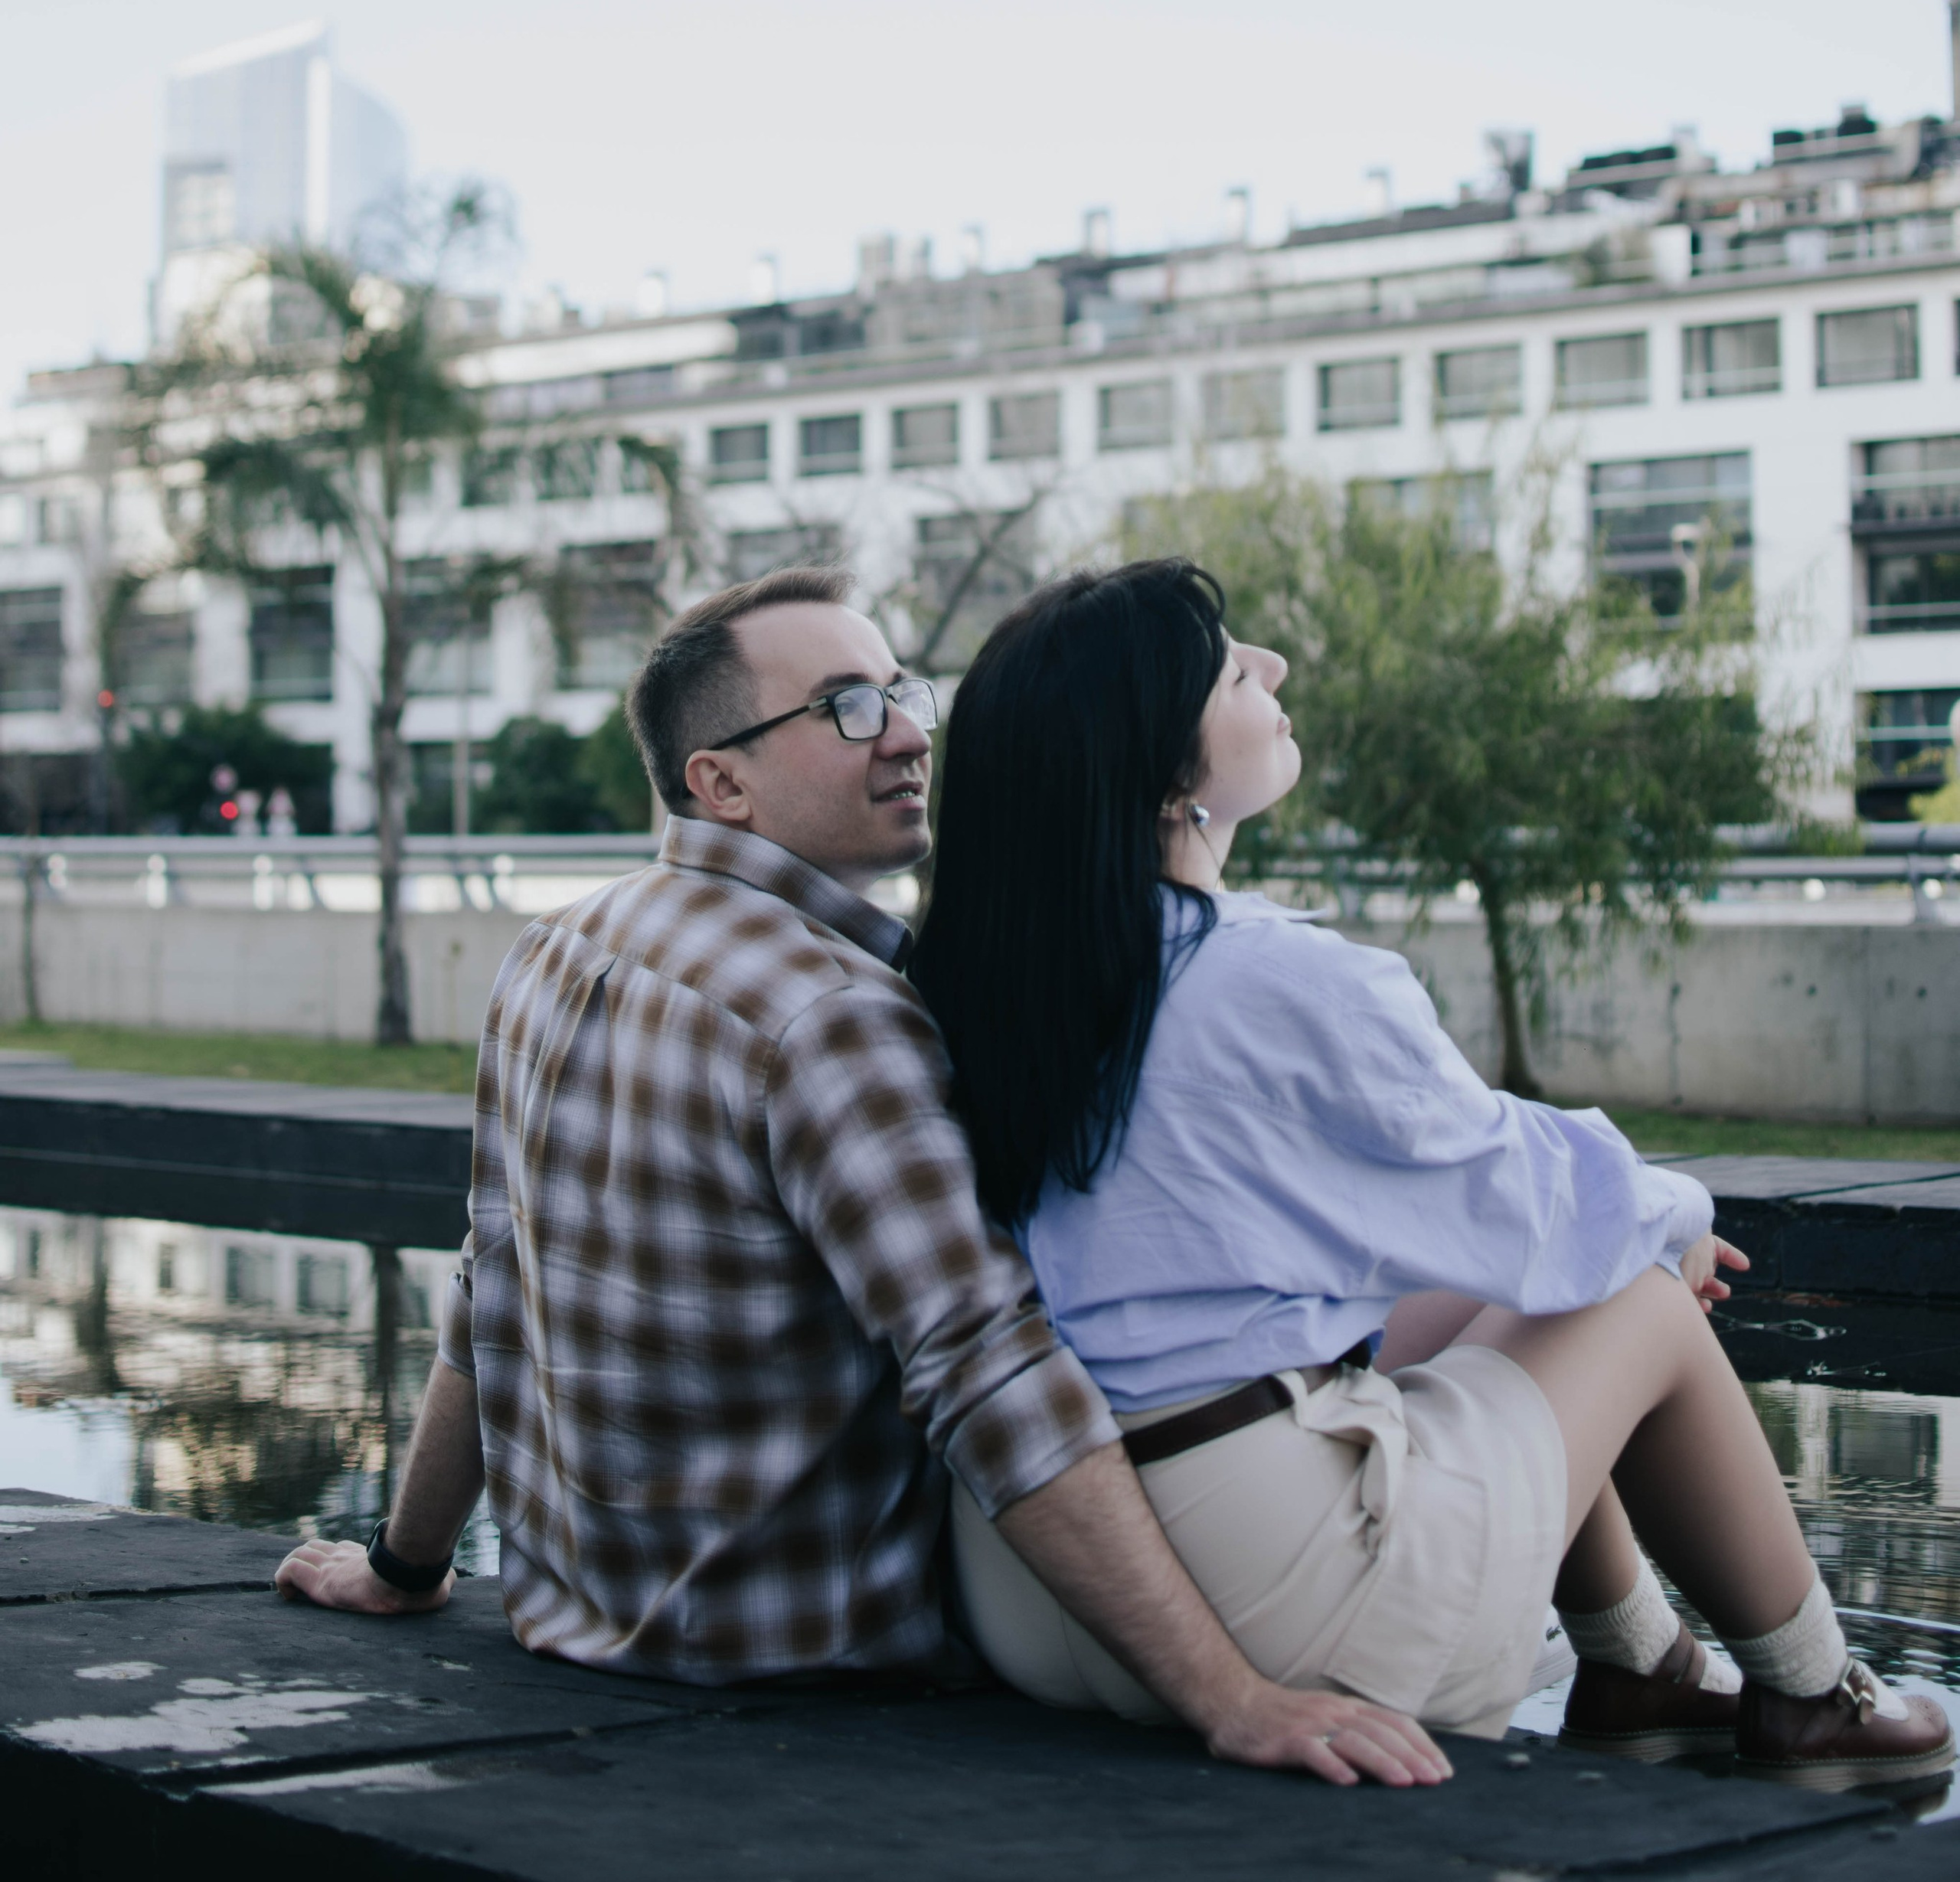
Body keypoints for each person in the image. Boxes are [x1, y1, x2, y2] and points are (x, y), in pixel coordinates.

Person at [276, 564, 1448, 1791]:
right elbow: (987, 1372)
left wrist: (406, 1568)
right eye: (845, 709)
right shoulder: (826, 1016)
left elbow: (489, 1284)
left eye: (901, 693)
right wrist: (1232, 1699)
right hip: (809, 1661)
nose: (904, 737)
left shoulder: (554, 950)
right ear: (717, 782)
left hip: (577, 1627)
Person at [910, 557, 1955, 1789]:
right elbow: (1523, 1194)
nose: (1274, 669)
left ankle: (1641, 1670)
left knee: (1497, 1298)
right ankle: (1815, 1695)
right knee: (1636, 1300)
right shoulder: (1270, 977)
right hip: (1269, 1597)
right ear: (1162, 776)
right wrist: (1673, 1214)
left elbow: (1463, 1228)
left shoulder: (990, 989)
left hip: (1045, 1586)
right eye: (1230, 663)